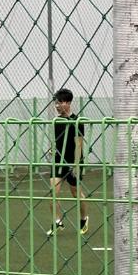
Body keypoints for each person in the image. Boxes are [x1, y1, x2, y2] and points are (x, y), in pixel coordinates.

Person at [47, 88, 89, 236]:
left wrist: (76, 165)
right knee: (53, 192)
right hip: (59, 161)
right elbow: (59, 141)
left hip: (73, 161)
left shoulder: (77, 121)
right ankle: (57, 222)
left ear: (68, 103)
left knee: (75, 192)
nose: (57, 106)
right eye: (56, 103)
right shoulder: (57, 121)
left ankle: (84, 219)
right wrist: (53, 149)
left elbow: (79, 145)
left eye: (60, 103)